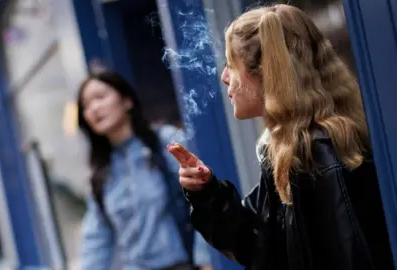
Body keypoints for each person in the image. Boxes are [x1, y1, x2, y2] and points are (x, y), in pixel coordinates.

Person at [167, 4, 395, 270]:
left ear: (265, 73)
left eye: (231, 64)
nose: (225, 76)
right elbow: (258, 244)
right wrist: (206, 192)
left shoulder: (315, 152)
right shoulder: (292, 149)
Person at [78, 69, 212, 270]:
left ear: (126, 101)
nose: (94, 108)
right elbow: (96, 238)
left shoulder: (166, 142)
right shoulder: (101, 174)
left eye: (100, 97)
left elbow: (205, 198)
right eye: (86, 105)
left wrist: (206, 260)